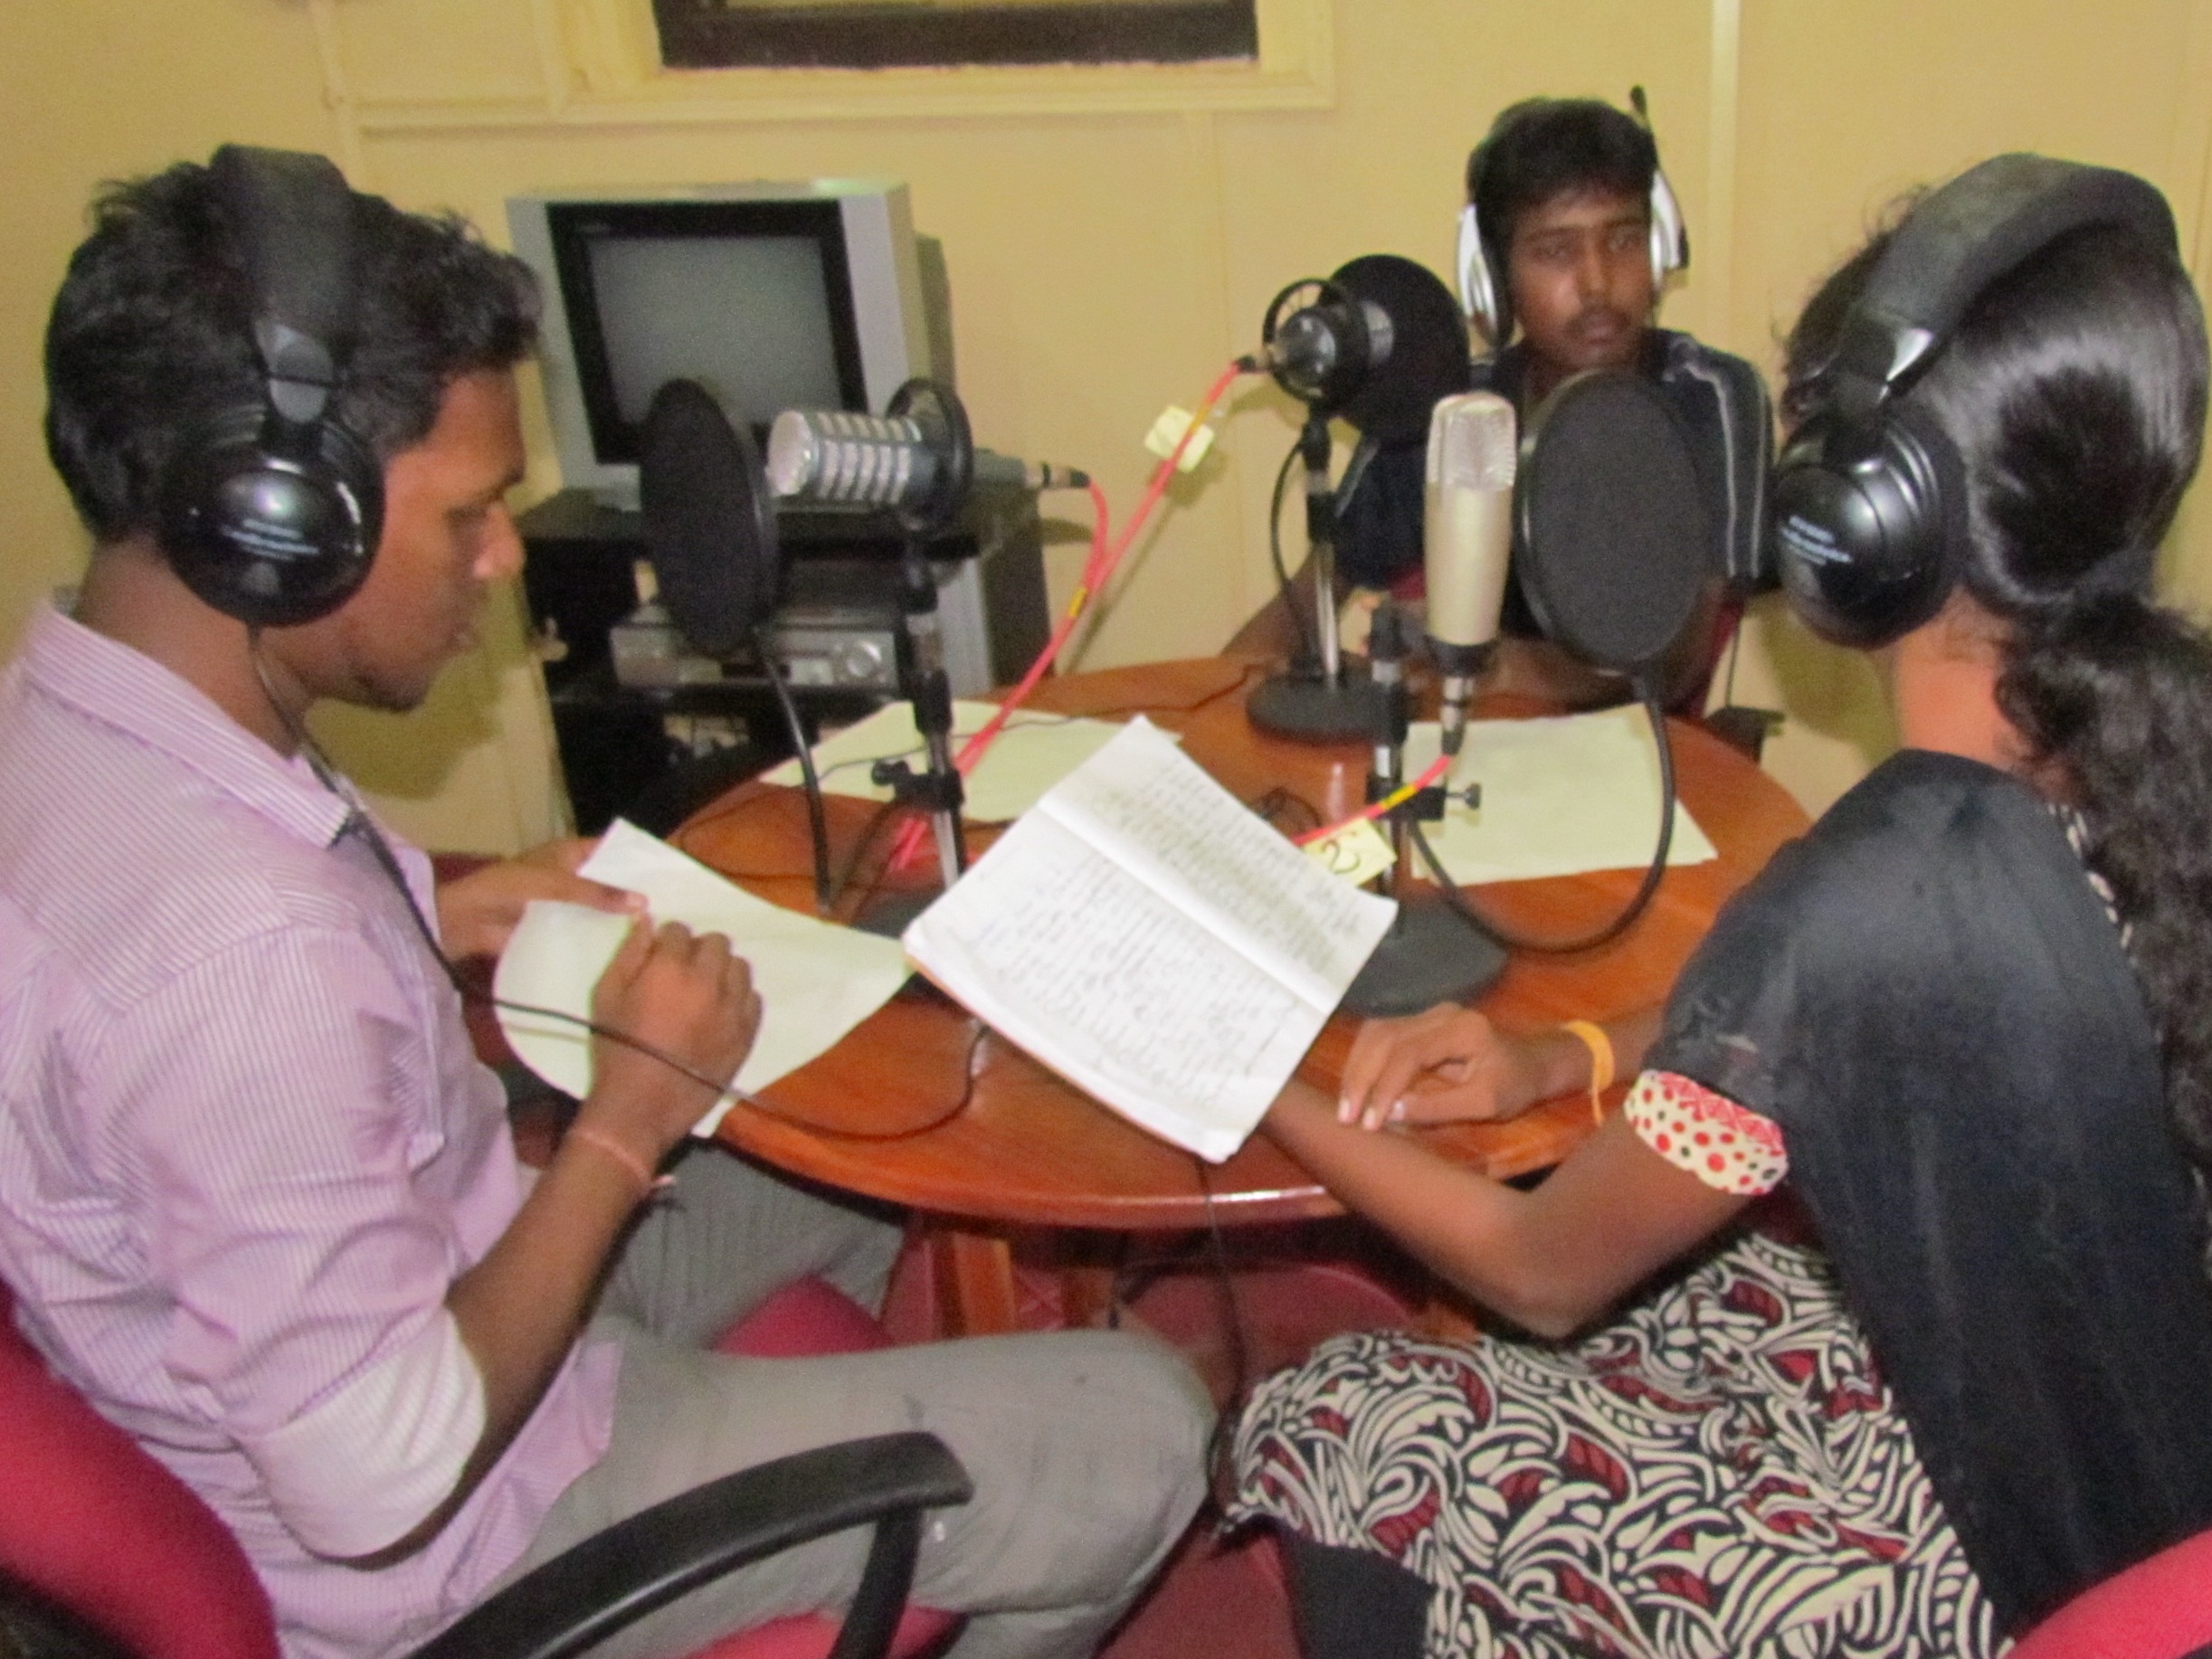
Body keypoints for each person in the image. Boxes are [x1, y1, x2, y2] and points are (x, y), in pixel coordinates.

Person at [0, 147, 1211, 1659]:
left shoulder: (72, 722)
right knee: (1148, 1421)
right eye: (469, 514)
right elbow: (379, 1468)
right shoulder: (239, 956)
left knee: (867, 1133)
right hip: (463, 1527)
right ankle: (915, 1514)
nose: (504, 556)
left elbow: (160, 1034)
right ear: (279, 518)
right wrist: (631, 1118)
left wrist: (431, 908)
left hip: (423, 1271)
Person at [1226, 155, 2212, 1658]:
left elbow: (1540, 1272)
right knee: (1711, 1281)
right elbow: (1836, 1031)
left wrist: (1253, 1058)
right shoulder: (2159, 749)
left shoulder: (1862, 896)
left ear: (1859, 519)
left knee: (1353, 1400)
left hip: (1989, 1572)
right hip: (2147, 1454)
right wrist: (1572, 1053)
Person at [1226, 95, 1770, 716]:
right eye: (1555, 251)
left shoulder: (1710, 395)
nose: (1596, 284)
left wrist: (1495, 666)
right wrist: (1216, 697)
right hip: (1463, 760)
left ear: (1661, 246)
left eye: (1622, 240)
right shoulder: (1448, 406)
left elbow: (1675, 663)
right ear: (1492, 276)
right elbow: (1300, 609)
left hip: (1647, 765)